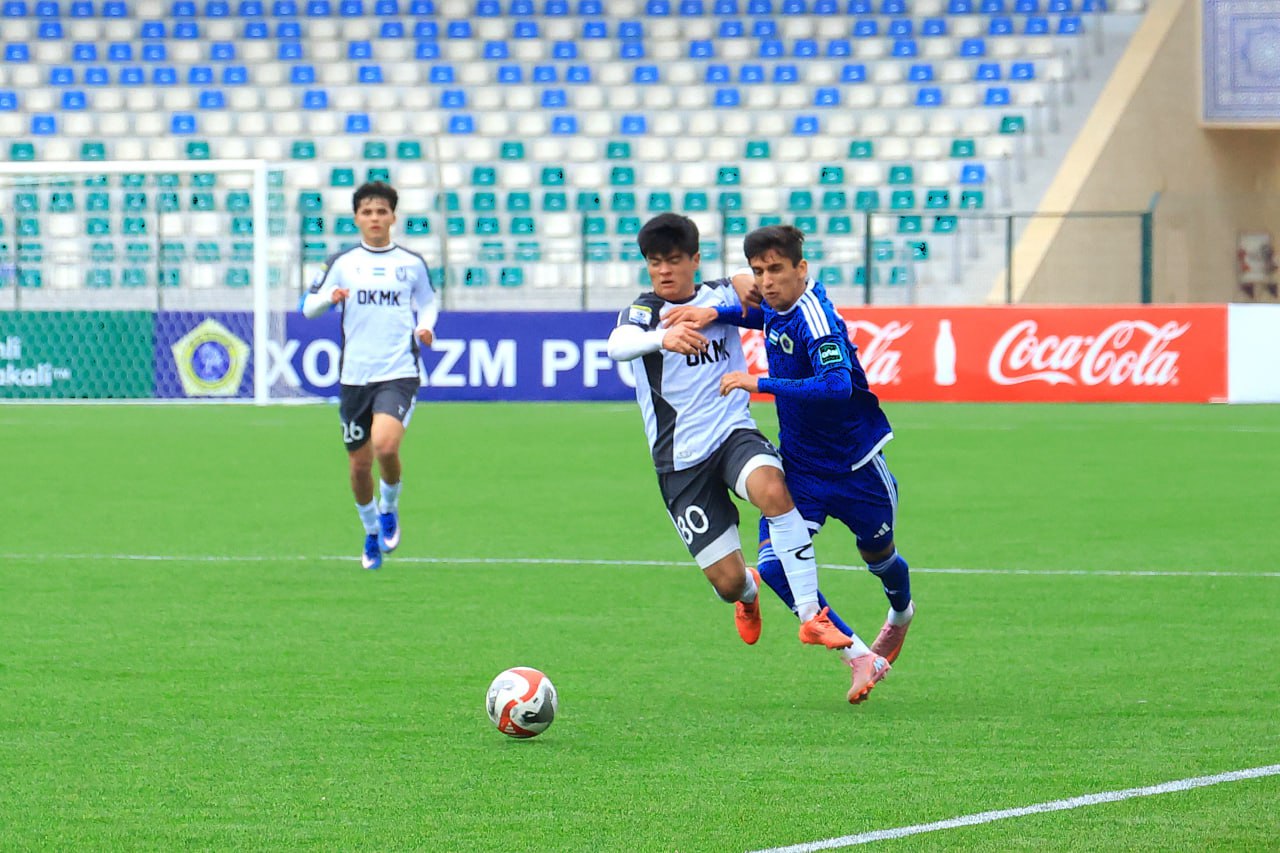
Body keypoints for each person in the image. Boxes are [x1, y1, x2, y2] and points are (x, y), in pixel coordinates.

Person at [665, 224, 913, 705]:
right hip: (802, 468)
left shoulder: (817, 319)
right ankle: (860, 656)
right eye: (759, 271)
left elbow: (836, 385)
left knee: (879, 558)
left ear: (802, 268)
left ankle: (901, 614)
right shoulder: (779, 307)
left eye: (776, 269)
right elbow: (764, 319)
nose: (766, 281)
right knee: (774, 567)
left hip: (857, 465)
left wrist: (757, 383)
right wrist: (714, 312)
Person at [606, 212, 854, 660]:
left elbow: (764, 293)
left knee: (773, 490)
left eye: (674, 260)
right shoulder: (644, 313)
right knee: (726, 583)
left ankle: (809, 614)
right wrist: (663, 338)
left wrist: (742, 278)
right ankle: (748, 592)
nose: (664, 270)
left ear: (695, 260)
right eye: (654, 262)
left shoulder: (723, 292)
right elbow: (617, 344)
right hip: (680, 461)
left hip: (732, 433)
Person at [301, 181, 437, 570]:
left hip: (398, 371)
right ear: (357, 218)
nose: (374, 218)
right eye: (367, 212)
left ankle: (389, 506)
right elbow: (307, 306)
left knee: (386, 447)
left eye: (381, 212)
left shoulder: (411, 263)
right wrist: (330, 298)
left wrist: (426, 328)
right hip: (354, 377)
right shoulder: (342, 263)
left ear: (393, 217)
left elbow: (428, 303)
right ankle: (371, 530)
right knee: (359, 468)